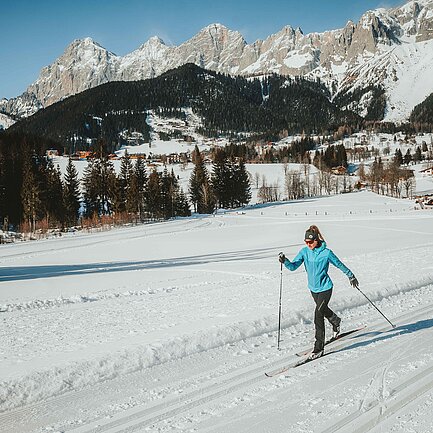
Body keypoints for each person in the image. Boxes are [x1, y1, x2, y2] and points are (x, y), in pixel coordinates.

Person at [278, 225, 359, 360]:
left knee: (318, 315)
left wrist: (351, 275)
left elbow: (339, 264)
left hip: (325, 288)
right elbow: (293, 267)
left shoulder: (326, 253)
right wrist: (285, 261)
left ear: (316, 240)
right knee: (323, 310)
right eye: (306, 242)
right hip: (313, 289)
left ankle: (319, 347)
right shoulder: (304, 252)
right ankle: (336, 320)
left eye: (310, 242)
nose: (308, 244)